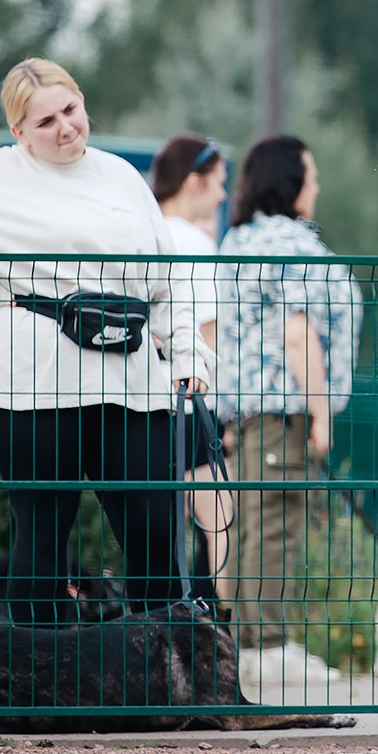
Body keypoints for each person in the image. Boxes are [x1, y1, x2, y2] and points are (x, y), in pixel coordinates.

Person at [0, 58, 212, 622]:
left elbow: (167, 277)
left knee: (156, 531)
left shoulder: (122, 178)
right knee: (43, 537)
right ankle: (42, 688)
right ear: (18, 132)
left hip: (133, 381)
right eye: (44, 122)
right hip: (34, 387)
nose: (64, 128)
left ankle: (165, 681)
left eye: (70, 110)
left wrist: (187, 355)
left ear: (83, 103)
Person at [218, 135, 364, 701]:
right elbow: (298, 333)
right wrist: (322, 413)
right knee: (277, 523)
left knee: (253, 525)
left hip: (250, 411)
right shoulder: (290, 242)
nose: (318, 186)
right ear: (289, 181)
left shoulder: (239, 241)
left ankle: (252, 648)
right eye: (312, 174)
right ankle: (271, 649)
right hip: (285, 408)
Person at [151, 133, 233, 559]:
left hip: (145, 405)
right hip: (194, 405)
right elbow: (208, 335)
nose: (223, 195)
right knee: (220, 525)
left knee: (160, 535)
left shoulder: (145, 234)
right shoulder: (196, 244)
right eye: (219, 182)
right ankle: (214, 621)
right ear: (193, 181)